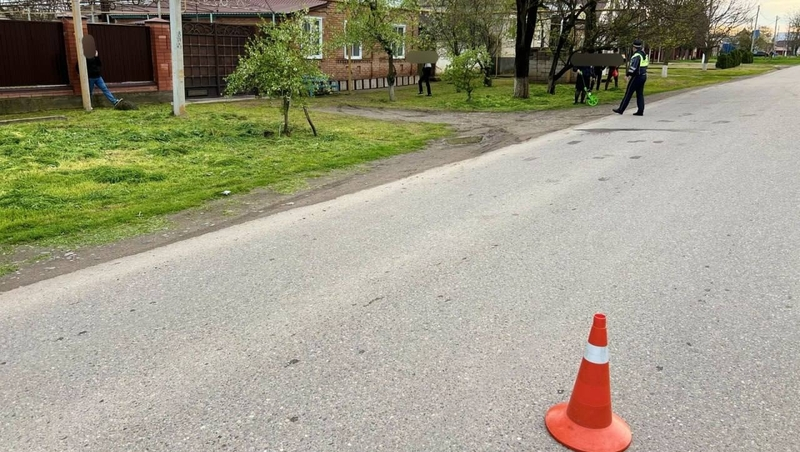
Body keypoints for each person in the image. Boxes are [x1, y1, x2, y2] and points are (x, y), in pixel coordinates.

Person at [613, 40, 648, 116]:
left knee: (628, 93)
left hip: (637, 76)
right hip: (643, 75)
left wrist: (627, 75)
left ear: (634, 47)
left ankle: (621, 109)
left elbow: (633, 67)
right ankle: (640, 110)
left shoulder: (636, 56)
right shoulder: (644, 54)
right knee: (640, 94)